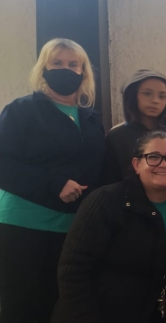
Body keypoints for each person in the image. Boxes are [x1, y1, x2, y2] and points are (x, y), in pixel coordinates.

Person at [0, 38, 106, 322]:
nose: (66, 69)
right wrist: (54, 183)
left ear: (84, 72)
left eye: (74, 64)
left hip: (73, 229)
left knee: (66, 309)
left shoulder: (93, 119)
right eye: (57, 63)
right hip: (24, 226)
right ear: (43, 68)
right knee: (24, 308)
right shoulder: (21, 110)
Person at [52, 131, 166, 323]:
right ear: (136, 164)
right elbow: (72, 272)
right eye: (154, 157)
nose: (164, 164)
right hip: (97, 314)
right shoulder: (105, 202)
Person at [104, 69, 166, 184]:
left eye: (162, 96)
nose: (155, 101)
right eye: (147, 93)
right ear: (133, 95)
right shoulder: (116, 136)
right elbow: (110, 179)